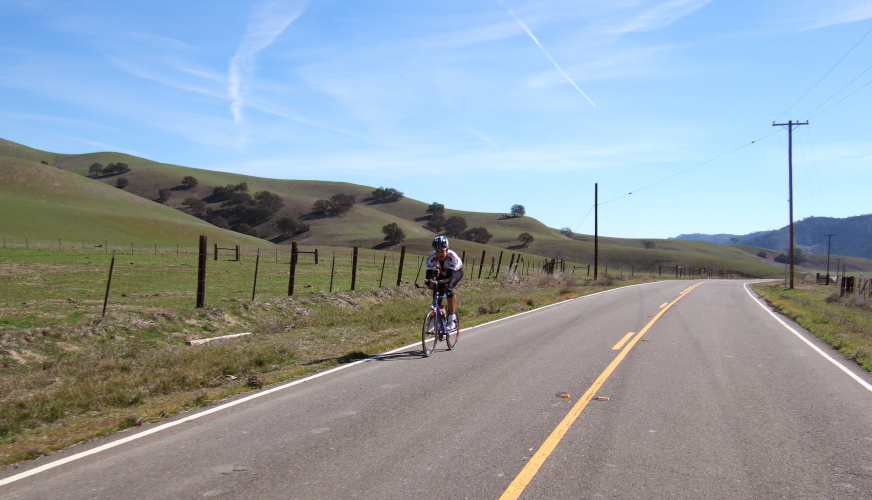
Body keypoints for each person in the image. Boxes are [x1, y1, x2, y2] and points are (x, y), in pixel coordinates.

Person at [425, 235, 463, 331]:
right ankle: (440, 312)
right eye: (438, 251)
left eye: (442, 250)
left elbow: (450, 277)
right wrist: (430, 283)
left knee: (448, 287)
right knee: (436, 289)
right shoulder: (431, 257)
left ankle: (452, 318)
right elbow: (428, 277)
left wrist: (438, 282)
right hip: (442, 272)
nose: (440, 254)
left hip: (455, 272)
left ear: (447, 249)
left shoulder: (452, 257)